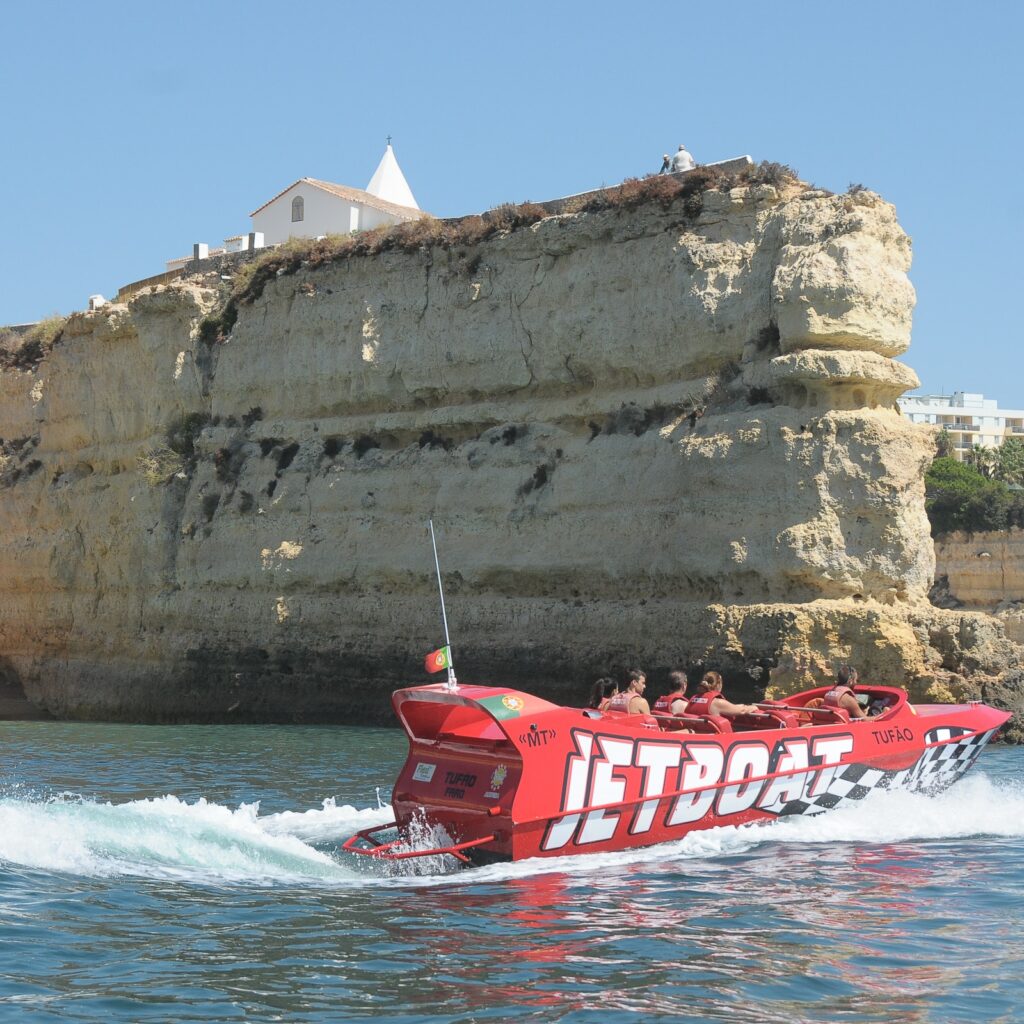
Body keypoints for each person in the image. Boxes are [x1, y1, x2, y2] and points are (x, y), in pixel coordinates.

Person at [685, 671, 759, 719]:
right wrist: (754, 707)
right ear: (718, 685)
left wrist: (740, 705)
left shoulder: (693, 699)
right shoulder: (718, 703)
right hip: (715, 740)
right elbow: (742, 711)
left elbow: (729, 707)